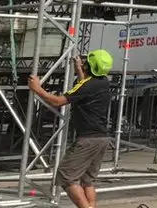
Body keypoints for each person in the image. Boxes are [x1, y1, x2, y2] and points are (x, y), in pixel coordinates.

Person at [28, 49, 114, 208]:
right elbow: (83, 89)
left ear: (89, 66)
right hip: (101, 138)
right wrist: (79, 69)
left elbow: (58, 101)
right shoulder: (103, 83)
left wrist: (37, 89)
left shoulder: (88, 85)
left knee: (66, 176)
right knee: (88, 180)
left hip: (88, 139)